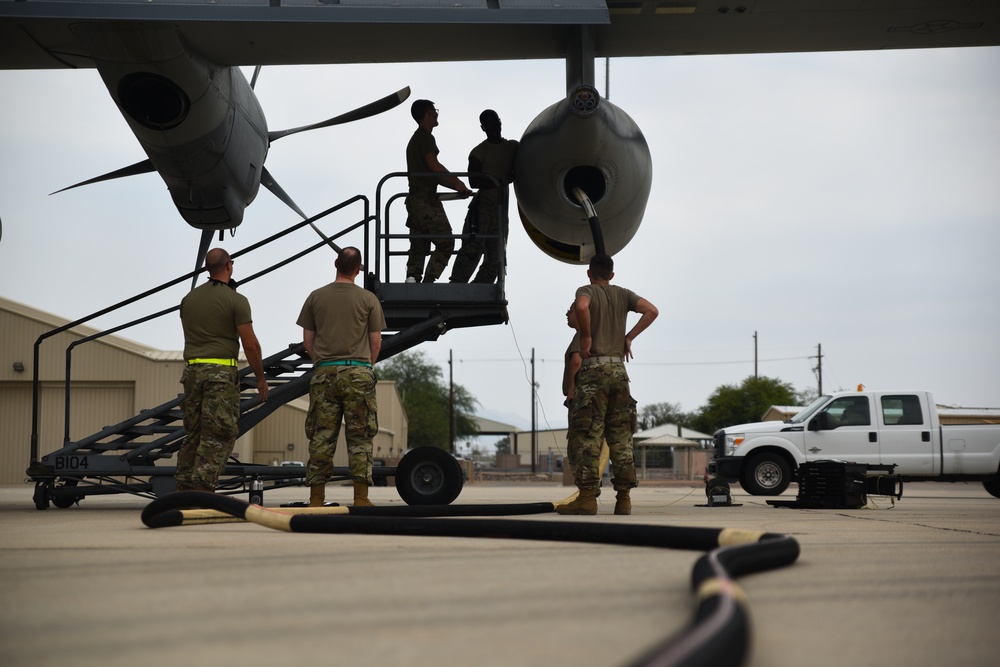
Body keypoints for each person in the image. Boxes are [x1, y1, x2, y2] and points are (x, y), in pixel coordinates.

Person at [558, 253, 658, 516]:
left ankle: (588, 498)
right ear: (612, 275)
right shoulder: (623, 294)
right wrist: (629, 337)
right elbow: (652, 310)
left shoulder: (586, 291)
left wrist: (588, 336)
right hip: (619, 370)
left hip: (594, 371)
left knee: (588, 436)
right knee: (621, 435)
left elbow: (581, 307)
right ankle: (623, 499)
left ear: (589, 273)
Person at [297, 247, 386, 507]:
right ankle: (361, 498)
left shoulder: (315, 297)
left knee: (322, 435)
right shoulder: (369, 299)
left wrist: (322, 363)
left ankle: (316, 499)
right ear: (358, 269)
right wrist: (364, 368)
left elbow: (307, 342)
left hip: (325, 372)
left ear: (335, 263)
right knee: (360, 437)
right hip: (358, 371)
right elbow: (376, 343)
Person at [176, 248, 269, 493]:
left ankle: (183, 488)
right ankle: (203, 491)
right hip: (219, 375)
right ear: (229, 266)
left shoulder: (189, 299)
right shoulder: (236, 300)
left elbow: (189, 338)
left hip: (192, 372)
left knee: (194, 432)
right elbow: (251, 345)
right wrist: (260, 379)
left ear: (207, 269)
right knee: (218, 433)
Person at [404, 99, 472, 284]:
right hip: (426, 199)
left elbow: (434, 174)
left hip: (415, 200)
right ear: (427, 112)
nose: (437, 113)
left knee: (419, 244)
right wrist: (457, 182)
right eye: (435, 110)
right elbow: (434, 167)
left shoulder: (415, 139)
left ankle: (412, 279)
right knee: (446, 243)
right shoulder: (425, 137)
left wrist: (456, 186)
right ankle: (428, 281)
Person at [449, 109, 518, 284]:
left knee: (496, 260)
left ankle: (479, 289)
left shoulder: (512, 147)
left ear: (500, 122)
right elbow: (473, 180)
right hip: (482, 209)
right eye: (488, 125)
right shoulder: (479, 152)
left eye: (495, 123)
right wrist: (499, 181)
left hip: (500, 212)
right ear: (483, 128)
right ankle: (456, 286)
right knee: (471, 251)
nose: (493, 127)